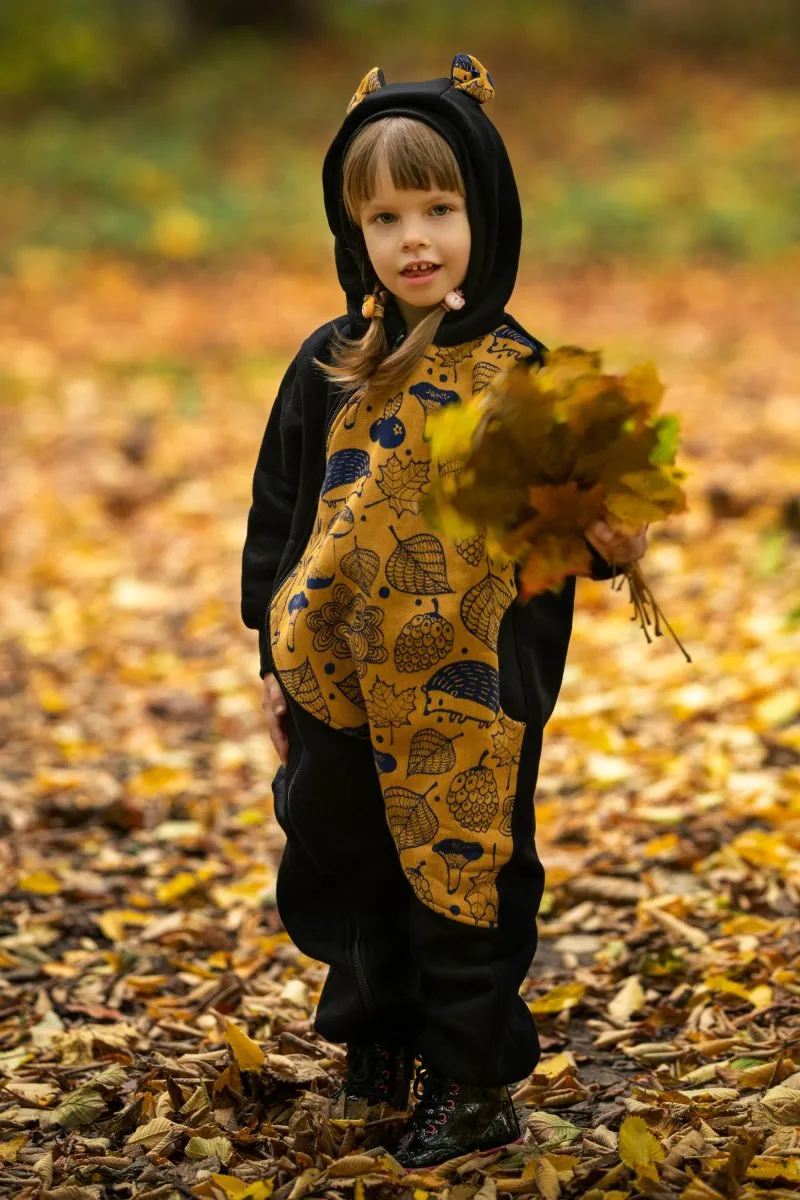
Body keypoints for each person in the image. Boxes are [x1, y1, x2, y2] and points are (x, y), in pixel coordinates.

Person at [241, 53, 648, 1169]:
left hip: (469, 686)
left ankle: (471, 1078)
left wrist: (614, 531)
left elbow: (600, 533)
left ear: (487, 214)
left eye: (439, 207)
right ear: (353, 231)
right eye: (385, 216)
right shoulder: (329, 362)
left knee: (460, 867)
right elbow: (278, 512)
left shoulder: (529, 379)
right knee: (342, 853)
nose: (413, 237)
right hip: (331, 670)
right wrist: (265, 656)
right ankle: (376, 1036)